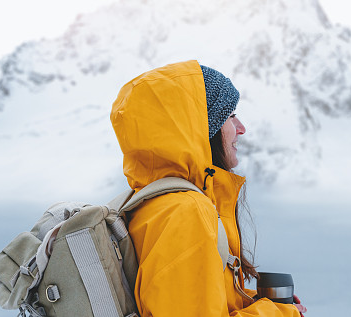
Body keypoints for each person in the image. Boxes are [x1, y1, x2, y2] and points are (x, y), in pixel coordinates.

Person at [110, 60, 308, 316]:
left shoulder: (148, 205)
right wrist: (280, 313)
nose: (241, 129)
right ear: (201, 128)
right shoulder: (186, 212)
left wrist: (255, 302)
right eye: (230, 116)